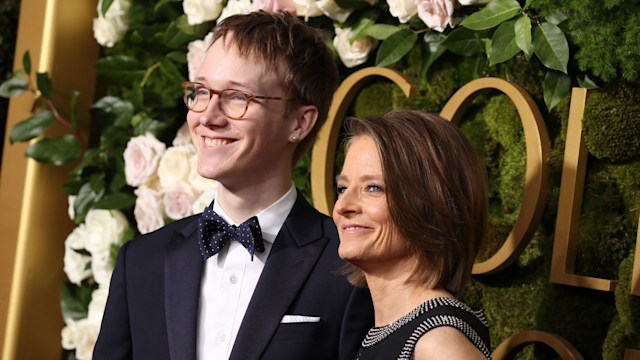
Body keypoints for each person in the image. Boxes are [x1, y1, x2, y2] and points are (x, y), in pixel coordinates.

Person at [94, 11, 373, 360]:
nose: (207, 117)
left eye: (237, 97)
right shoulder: (141, 262)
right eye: (201, 92)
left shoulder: (351, 266)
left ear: (300, 122)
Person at [333, 109, 492, 360]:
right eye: (342, 188)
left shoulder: (438, 342)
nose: (342, 206)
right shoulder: (393, 329)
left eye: (373, 188)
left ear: (430, 204)